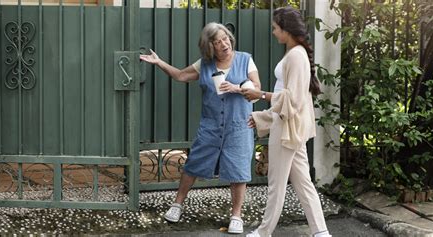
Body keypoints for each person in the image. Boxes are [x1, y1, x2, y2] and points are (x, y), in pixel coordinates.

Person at [140, 22, 261, 234]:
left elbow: (257, 89)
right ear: (209, 47)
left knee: (239, 170)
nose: (224, 44)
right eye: (217, 41)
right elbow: (180, 76)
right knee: (193, 164)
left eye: (225, 38)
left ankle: (236, 215)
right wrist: (159, 62)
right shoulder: (204, 64)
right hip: (211, 126)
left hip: (238, 125)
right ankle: (177, 205)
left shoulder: (245, 59)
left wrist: (237, 88)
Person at [242, 7, 331, 237]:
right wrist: (264, 117)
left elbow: (293, 99)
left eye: (275, 28)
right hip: (288, 125)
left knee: (276, 184)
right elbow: (288, 98)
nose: (273, 32)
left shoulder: (296, 56)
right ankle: (321, 232)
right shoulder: (295, 53)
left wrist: (260, 95)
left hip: (287, 128)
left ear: (286, 29)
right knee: (303, 184)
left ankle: (263, 232)